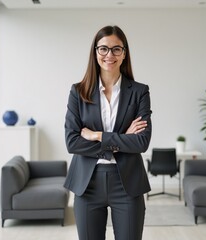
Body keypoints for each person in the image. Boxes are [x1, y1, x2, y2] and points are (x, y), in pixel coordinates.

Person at [64, 25, 152, 240]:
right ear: (95, 53)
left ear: (124, 54)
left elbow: (141, 142)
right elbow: (72, 142)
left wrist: (98, 135)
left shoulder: (139, 92)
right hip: (87, 184)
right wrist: (120, 141)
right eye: (103, 49)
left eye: (116, 49)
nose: (109, 55)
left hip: (128, 184)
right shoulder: (78, 92)